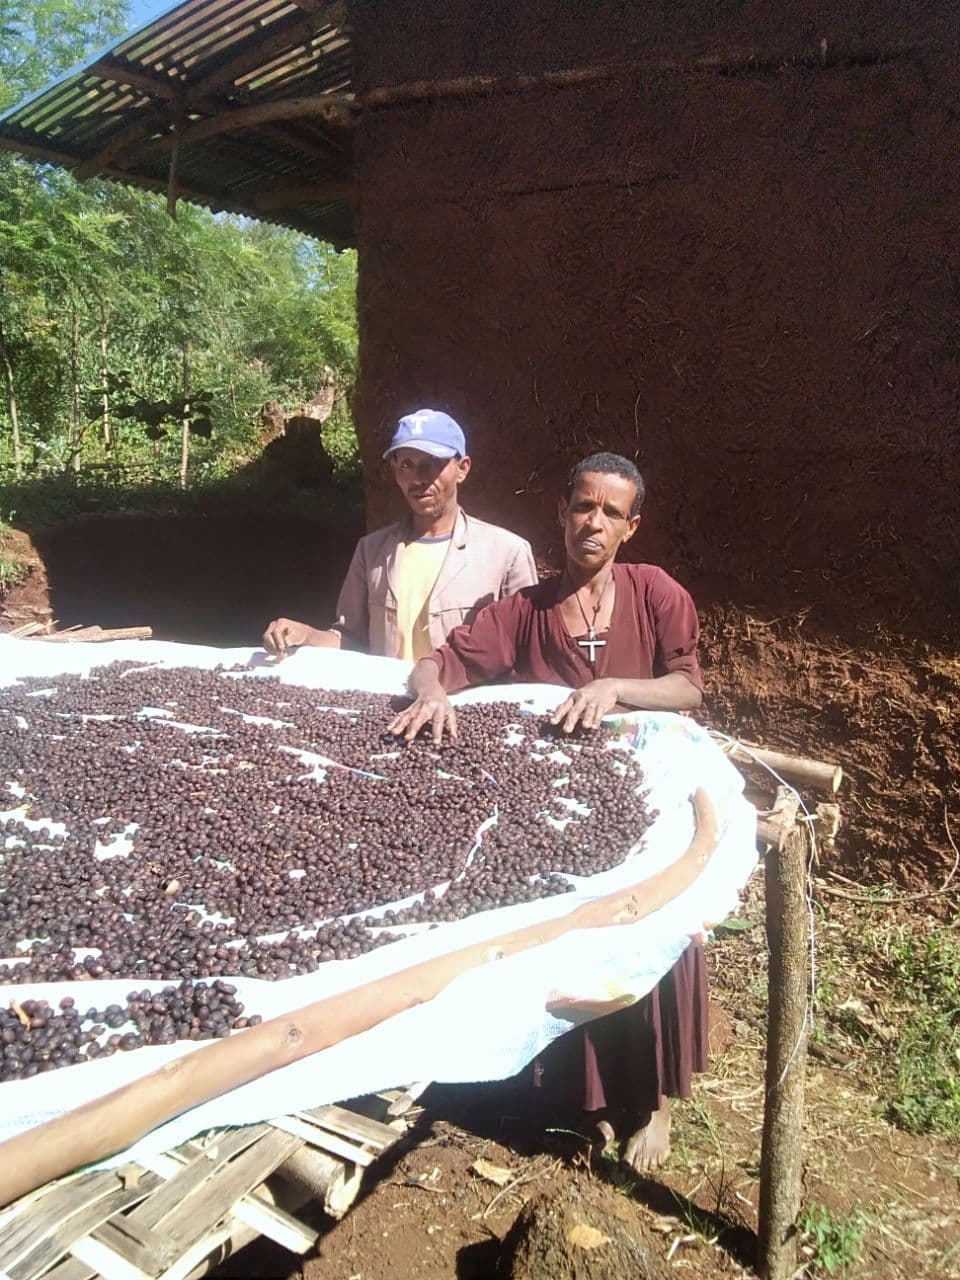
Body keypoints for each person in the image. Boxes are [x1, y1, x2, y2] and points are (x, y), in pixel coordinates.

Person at [387, 451, 705, 1173]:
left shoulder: (656, 593)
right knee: (575, 947)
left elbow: (687, 687)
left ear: (631, 527)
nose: (594, 522)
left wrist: (617, 688)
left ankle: (650, 1103)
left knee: (650, 936)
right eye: (583, 506)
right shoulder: (523, 612)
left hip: (646, 796)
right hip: (561, 809)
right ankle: (586, 1102)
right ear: (561, 514)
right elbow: (435, 662)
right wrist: (432, 693)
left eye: (611, 513)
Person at [263, 410, 538, 660]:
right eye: (406, 464)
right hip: (387, 709)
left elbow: (528, 651)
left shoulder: (506, 554)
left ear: (462, 468)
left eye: (432, 463)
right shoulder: (372, 552)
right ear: (394, 470)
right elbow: (351, 641)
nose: (418, 478)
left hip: (463, 710)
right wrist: (305, 635)